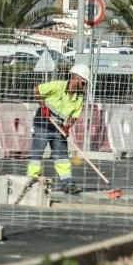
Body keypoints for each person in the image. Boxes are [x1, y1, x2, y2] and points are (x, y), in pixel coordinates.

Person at [27, 63, 90, 194]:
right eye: (84, 83)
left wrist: (66, 128)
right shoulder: (58, 86)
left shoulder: (78, 99)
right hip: (43, 122)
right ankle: (32, 181)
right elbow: (37, 90)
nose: (85, 87)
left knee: (62, 155)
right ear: (76, 78)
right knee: (37, 154)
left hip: (58, 127)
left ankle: (68, 183)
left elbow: (74, 116)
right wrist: (43, 106)